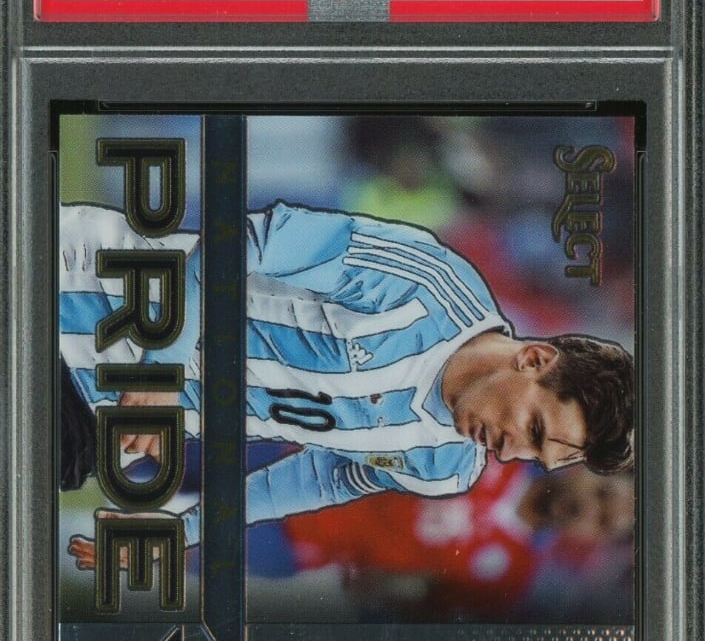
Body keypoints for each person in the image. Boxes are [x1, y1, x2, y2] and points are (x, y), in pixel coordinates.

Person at [64, 200, 633, 566]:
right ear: (534, 359)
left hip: (103, 423)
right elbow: (246, 239)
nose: (511, 453)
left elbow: (312, 482)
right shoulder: (428, 286)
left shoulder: (445, 467)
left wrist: (179, 532)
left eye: (535, 454)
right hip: (85, 298)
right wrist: (163, 368)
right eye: (534, 428)